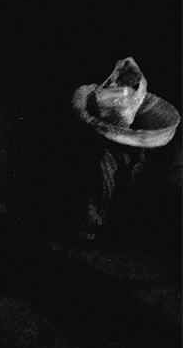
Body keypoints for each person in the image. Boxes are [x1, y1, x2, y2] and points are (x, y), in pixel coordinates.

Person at [72, 58, 178, 241]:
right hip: (96, 218)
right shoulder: (106, 153)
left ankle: (102, 225)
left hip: (119, 202)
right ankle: (94, 227)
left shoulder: (136, 150)